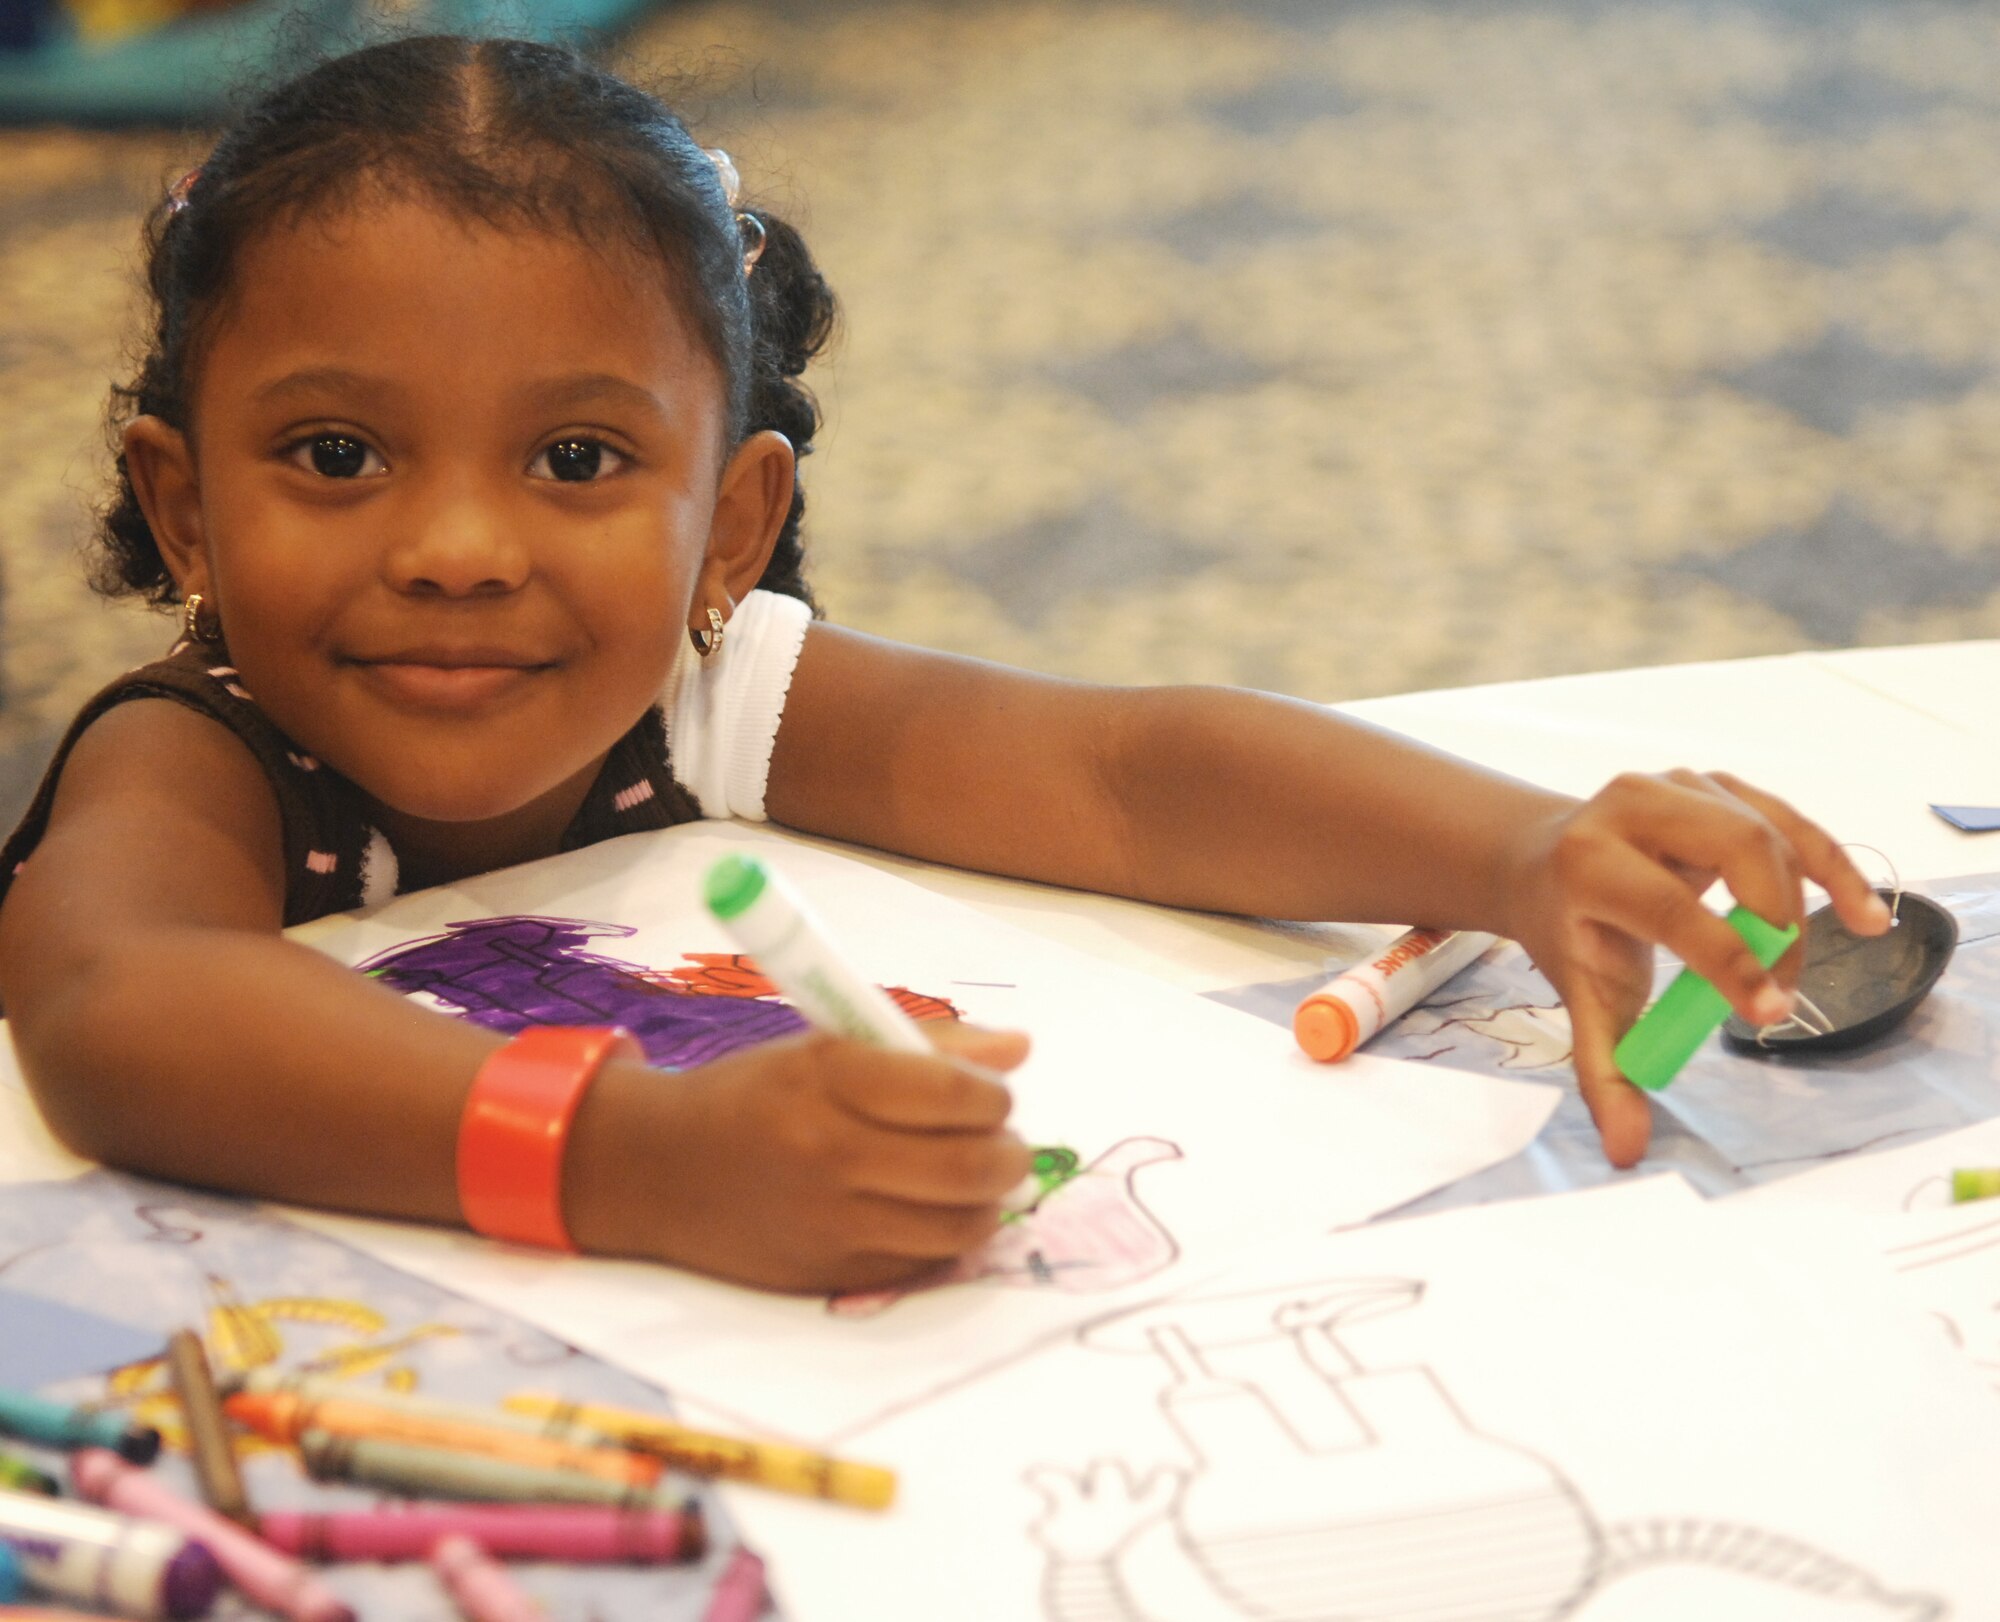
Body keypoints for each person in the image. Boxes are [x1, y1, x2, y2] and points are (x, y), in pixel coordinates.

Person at [0, 34, 1888, 1295]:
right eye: (338, 457)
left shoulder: (701, 687)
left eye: (576, 461)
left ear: (730, 529)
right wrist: (638, 1158)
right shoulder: (202, 752)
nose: (458, 547)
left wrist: (1516, 852)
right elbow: (113, 1001)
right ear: (183, 510)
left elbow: (1121, 774)